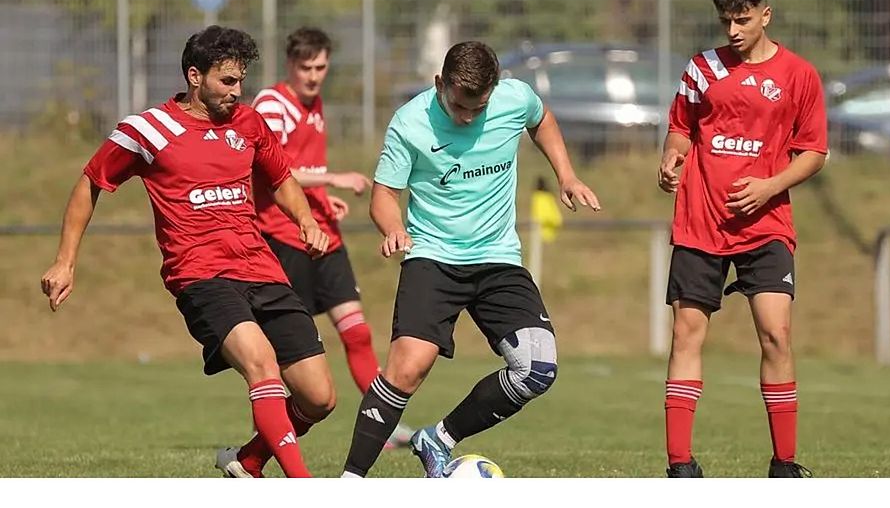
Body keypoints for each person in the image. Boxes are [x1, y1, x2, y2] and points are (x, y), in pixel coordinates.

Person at [39, 25, 338, 478]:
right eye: (227, 81)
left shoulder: (249, 123)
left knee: (318, 397)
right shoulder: (148, 130)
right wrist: (65, 260)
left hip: (262, 268)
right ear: (194, 76)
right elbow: (89, 183)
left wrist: (307, 220)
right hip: (202, 275)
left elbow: (281, 178)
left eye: (241, 81)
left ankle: (249, 462)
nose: (238, 92)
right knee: (261, 364)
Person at [338, 41, 602, 478]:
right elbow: (384, 195)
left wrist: (566, 174)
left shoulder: (514, 99)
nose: (467, 117)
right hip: (434, 256)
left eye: (477, 109)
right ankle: (350, 481)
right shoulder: (410, 123)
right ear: (440, 83)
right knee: (407, 368)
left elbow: (543, 120)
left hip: (498, 258)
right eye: (459, 106)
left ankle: (438, 438)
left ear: (494, 91)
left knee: (538, 368)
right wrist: (393, 229)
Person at [657, 0, 827, 478]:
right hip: (699, 220)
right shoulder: (702, 67)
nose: (732, 29)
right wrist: (672, 157)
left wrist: (770, 187)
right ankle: (680, 466)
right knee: (686, 335)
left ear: (766, 14)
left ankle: (785, 465)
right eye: (725, 20)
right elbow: (680, 128)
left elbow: (813, 151)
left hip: (766, 225)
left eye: (743, 19)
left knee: (777, 334)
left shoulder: (799, 74)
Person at [247, 27, 414, 459]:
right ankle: (268, 437)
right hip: (285, 238)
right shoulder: (271, 103)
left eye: (321, 67)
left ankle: (384, 421)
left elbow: (303, 170)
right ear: (290, 65)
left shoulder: (315, 104)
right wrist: (333, 177)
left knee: (357, 332)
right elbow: (273, 170)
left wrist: (324, 196)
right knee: (290, 353)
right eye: (306, 68)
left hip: (326, 234)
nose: (314, 76)